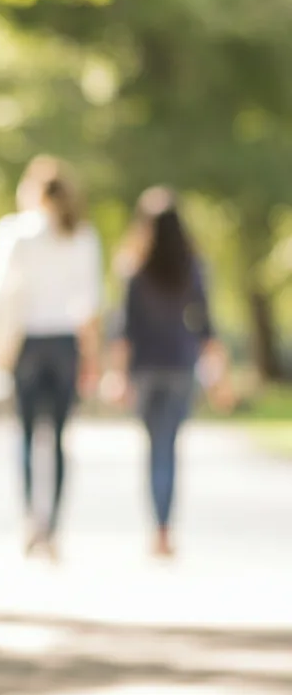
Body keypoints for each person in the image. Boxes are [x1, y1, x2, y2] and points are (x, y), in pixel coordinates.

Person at [0, 156, 102, 558]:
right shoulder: (82, 235)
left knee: (28, 435)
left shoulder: (15, 232)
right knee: (61, 438)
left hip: (28, 341)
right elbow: (91, 303)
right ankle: (54, 528)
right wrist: (92, 359)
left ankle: (32, 517)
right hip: (65, 343)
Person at [103, 186, 229, 558]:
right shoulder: (193, 266)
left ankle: (157, 528)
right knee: (168, 447)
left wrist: (118, 375)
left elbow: (123, 330)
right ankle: (163, 529)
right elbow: (206, 326)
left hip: (145, 369)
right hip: (179, 366)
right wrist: (220, 376)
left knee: (154, 447)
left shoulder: (133, 267)